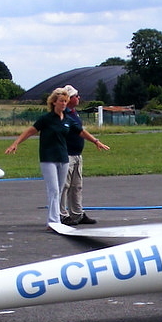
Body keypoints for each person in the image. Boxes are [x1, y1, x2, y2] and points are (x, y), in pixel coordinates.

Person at [5, 87, 109, 228]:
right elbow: (30, 131)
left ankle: (54, 219)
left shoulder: (68, 119)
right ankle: (54, 221)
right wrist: (15, 143)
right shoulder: (46, 119)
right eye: (61, 101)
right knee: (53, 189)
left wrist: (96, 141)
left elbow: (81, 132)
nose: (64, 104)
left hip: (63, 158)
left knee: (59, 191)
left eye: (65, 101)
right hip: (48, 158)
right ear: (54, 102)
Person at [59, 86, 96, 226]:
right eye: (76, 96)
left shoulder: (74, 113)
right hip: (66, 155)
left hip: (77, 154)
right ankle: (62, 214)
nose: (78, 98)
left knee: (77, 186)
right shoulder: (63, 114)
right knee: (64, 186)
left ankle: (77, 213)